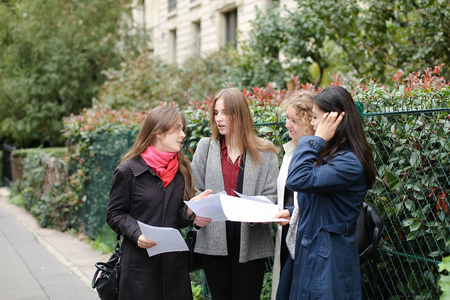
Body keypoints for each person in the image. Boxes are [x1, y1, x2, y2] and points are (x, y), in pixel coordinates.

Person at [275, 86, 377, 299]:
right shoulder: (332, 155)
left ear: (335, 120)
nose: (312, 123)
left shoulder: (349, 163)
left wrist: (316, 138)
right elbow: (323, 200)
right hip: (312, 253)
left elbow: (298, 179)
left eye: (315, 117)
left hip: (328, 262)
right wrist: (293, 211)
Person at [106, 107, 211, 300]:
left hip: (174, 269)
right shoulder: (127, 171)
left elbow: (176, 218)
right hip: (139, 268)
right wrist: (137, 234)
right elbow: (114, 214)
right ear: (158, 133)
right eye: (177, 129)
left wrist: (189, 212)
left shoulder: (182, 171)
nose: (183, 134)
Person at [191, 87, 279, 300]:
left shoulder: (265, 152)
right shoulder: (205, 147)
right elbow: (195, 190)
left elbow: (272, 196)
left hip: (251, 244)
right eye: (216, 113)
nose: (219, 118)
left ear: (240, 115)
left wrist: (257, 210)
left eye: (225, 113)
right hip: (214, 243)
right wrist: (196, 214)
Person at [271, 90, 316, 299]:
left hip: (304, 235)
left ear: (309, 122)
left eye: (294, 120)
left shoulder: (316, 154)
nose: (288, 124)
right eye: (287, 118)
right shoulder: (289, 151)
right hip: (285, 233)